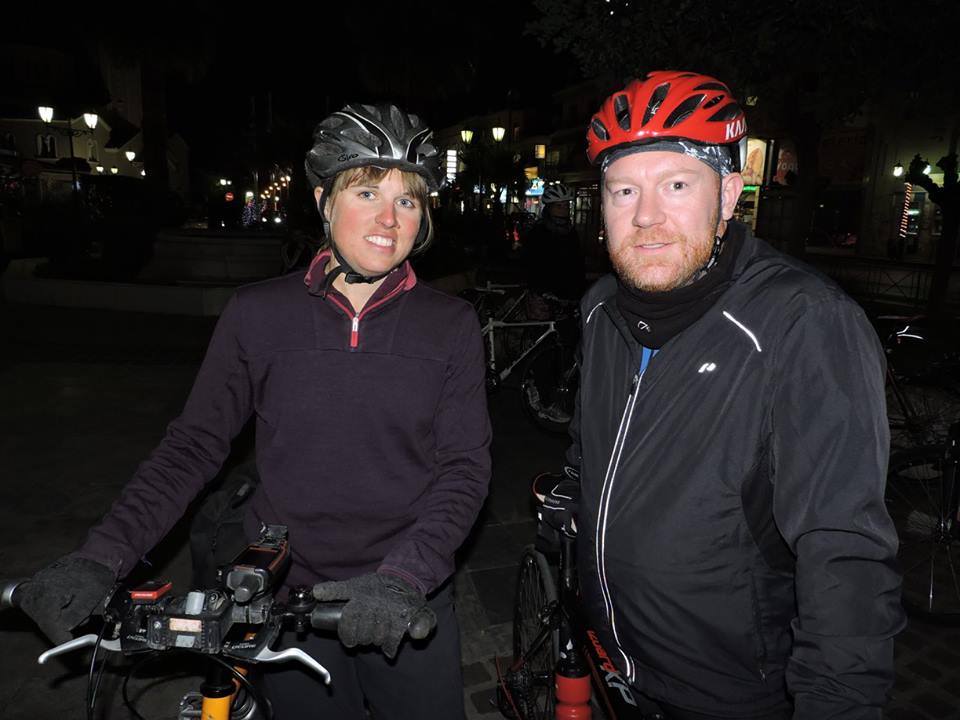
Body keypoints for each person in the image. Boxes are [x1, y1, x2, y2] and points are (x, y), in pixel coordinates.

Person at [19, 103, 491, 720]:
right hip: (286, 599)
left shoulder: (450, 325)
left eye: (407, 200)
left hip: (407, 594)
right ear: (324, 202)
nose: (389, 217)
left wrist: (406, 576)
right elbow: (193, 447)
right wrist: (100, 556)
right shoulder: (257, 313)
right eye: (367, 192)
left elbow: (464, 468)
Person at [564, 70, 903, 719]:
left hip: (728, 689)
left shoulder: (803, 323)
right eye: (624, 190)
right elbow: (591, 443)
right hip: (615, 656)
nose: (646, 216)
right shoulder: (600, 308)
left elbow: (845, 551)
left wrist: (837, 704)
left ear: (727, 195)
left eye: (677, 185)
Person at [521, 182, 586, 307]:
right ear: (549, 208)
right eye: (559, 206)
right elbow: (531, 265)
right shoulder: (539, 232)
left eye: (566, 205)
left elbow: (577, 263)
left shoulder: (571, 232)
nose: (564, 210)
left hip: (569, 297)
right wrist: (540, 290)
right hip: (544, 297)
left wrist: (578, 292)